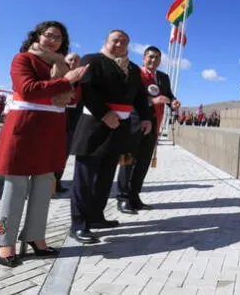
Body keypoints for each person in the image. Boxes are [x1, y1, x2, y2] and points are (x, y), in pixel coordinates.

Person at [0, 21, 88, 267]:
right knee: (14, 190)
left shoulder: (64, 65)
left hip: (51, 131)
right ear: (37, 36)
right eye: (49, 35)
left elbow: (73, 98)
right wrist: (67, 80)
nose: (54, 41)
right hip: (24, 129)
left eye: (59, 38)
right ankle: (5, 241)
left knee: (44, 188)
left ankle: (36, 237)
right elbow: (27, 88)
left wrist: (72, 81)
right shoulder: (23, 59)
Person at [68, 30, 153, 244]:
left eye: (124, 42)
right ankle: (78, 224)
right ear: (106, 42)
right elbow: (86, 89)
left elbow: (140, 96)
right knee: (85, 178)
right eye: (115, 40)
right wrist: (105, 114)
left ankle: (96, 216)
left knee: (106, 176)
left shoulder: (132, 69)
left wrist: (145, 117)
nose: (119, 44)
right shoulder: (93, 60)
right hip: (94, 126)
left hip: (120, 129)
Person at [117, 46, 180, 213]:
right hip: (132, 124)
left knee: (143, 162)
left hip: (153, 126)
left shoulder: (164, 77)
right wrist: (152, 100)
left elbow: (169, 95)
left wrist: (173, 102)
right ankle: (122, 198)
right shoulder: (134, 72)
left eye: (157, 58)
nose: (154, 61)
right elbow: (128, 95)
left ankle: (134, 196)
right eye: (151, 57)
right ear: (144, 58)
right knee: (127, 161)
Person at [54, 53, 83, 193]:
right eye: (70, 59)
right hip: (54, 120)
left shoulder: (83, 81)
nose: (73, 62)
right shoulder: (56, 76)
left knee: (63, 154)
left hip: (72, 123)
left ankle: (56, 181)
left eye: (76, 60)